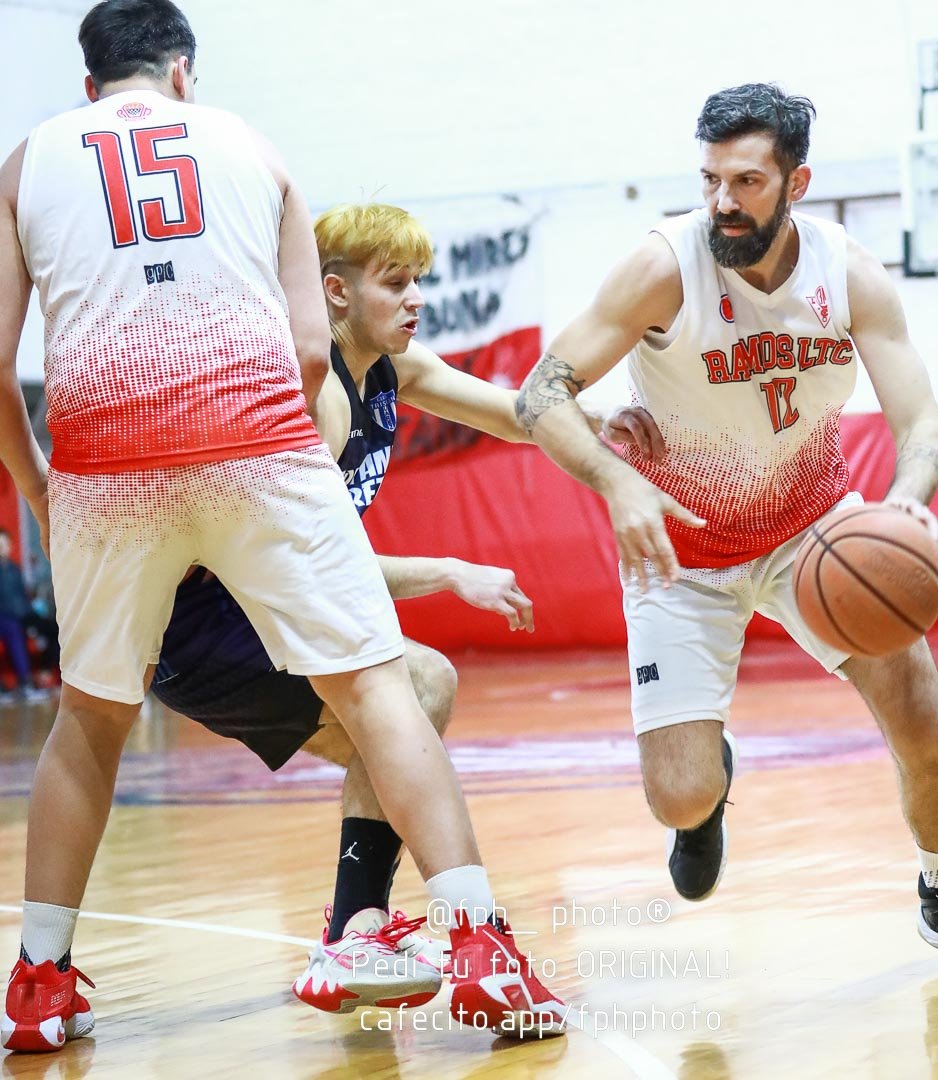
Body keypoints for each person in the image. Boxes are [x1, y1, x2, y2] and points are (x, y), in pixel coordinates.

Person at [0, 0, 562, 1053]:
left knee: (89, 724)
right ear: (184, 74)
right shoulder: (252, 146)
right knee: (381, 686)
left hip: (104, 467)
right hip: (255, 439)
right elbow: (310, 348)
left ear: (89, 87)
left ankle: (38, 983)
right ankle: (482, 944)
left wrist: (43, 490)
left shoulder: (28, 160)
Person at [515, 83, 938, 974]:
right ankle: (708, 792)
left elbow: (922, 427)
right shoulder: (662, 266)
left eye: (746, 181)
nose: (722, 201)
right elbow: (540, 393)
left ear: (798, 182)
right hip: (678, 546)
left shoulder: (851, 273)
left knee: (927, 726)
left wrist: (905, 504)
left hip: (816, 531)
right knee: (677, 797)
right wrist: (613, 484)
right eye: (710, 177)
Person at [151, 202, 569, 1013]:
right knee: (416, 684)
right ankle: (394, 930)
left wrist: (618, 425)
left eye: (420, 282)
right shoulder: (318, 396)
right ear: (334, 293)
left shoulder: (390, 370)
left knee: (415, 701)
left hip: (268, 616)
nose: (416, 299)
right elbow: (312, 565)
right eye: (396, 283)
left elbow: (519, 417)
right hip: (212, 624)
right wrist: (451, 570)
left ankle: (355, 934)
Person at [0, 528, 50, 702]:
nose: (2, 548)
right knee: (11, 628)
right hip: (3, 618)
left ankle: (25, 683)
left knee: (19, 632)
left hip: (17, 618)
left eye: (4, 544)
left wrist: (31, 622)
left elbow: (23, 598)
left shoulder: (15, 570)